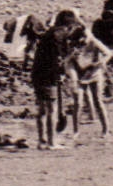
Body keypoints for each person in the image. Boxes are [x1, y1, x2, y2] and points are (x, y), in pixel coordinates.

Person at [31, 10, 82, 149]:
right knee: (51, 109)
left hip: (37, 74)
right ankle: (52, 142)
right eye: (71, 29)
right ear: (67, 27)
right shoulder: (56, 38)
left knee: (42, 109)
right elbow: (58, 62)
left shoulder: (49, 35)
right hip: (49, 76)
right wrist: (71, 55)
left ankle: (42, 140)